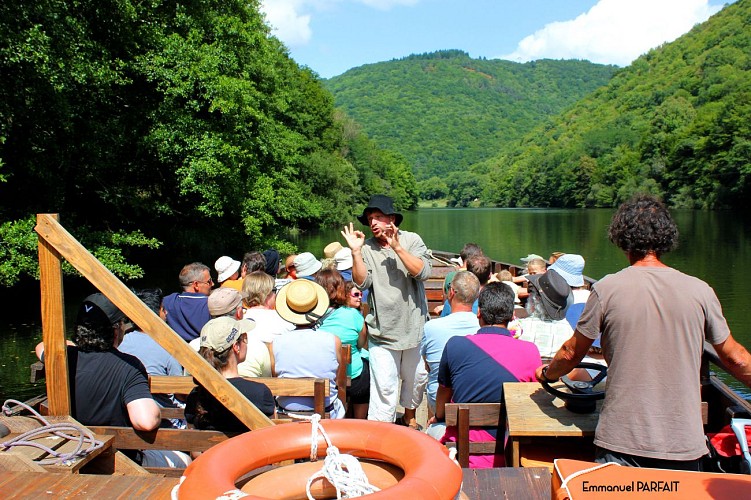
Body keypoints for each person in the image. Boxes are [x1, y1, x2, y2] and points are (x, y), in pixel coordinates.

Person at [537, 195, 751, 471]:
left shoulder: (606, 289)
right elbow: (736, 359)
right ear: (666, 237)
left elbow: (570, 353)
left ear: (621, 238)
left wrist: (547, 374)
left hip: (622, 443)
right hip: (685, 445)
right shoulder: (701, 291)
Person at [35, 293, 184, 467]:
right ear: (115, 330)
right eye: (122, 324)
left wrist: (75, 348)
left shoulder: (63, 359)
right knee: (184, 461)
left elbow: (42, 346)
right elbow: (146, 421)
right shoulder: (129, 366)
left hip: (71, 454)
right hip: (120, 459)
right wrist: (158, 412)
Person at [427, 282, 541, 468]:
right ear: (512, 315)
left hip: (461, 454)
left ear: (478, 313)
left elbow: (443, 394)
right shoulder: (530, 352)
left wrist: (439, 417)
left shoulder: (455, 345)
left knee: (432, 429)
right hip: (510, 455)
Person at [341, 194, 431, 426]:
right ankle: (383, 432)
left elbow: (422, 272)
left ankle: (410, 418)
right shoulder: (368, 248)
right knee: (385, 389)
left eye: (378, 217)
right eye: (370, 218)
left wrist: (397, 247)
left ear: (392, 219)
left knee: (416, 380)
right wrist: (355, 252)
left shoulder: (411, 240)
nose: (373, 223)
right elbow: (362, 283)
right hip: (381, 331)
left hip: (414, 327)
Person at [185, 317, 275, 431]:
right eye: (244, 338)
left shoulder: (196, 397)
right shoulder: (260, 393)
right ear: (236, 346)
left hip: (211, 449)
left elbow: (193, 444)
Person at [272, 279, 345, 418]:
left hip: (286, 412)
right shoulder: (333, 341)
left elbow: (275, 376)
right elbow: (337, 375)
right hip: (326, 411)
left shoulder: (276, 343)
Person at [118, 288, 185, 428]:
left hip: (129, 417)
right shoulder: (169, 346)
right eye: (162, 309)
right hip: (164, 420)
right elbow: (180, 392)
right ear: (154, 315)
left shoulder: (121, 342)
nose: (166, 313)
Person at [421, 271, 480, 412]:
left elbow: (426, 365)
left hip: (439, 402)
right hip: (472, 401)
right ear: (477, 296)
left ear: (451, 292)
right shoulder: (481, 327)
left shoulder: (430, 328)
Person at [315, 269, 370, 419]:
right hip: (352, 377)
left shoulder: (310, 317)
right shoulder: (352, 314)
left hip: (321, 379)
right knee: (365, 370)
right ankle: (360, 421)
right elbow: (361, 343)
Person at [200, 287, 272, 378]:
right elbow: (268, 378)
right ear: (239, 312)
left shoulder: (198, 347)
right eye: (242, 309)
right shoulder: (256, 346)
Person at [512, 269, 573, 360]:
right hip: (556, 373)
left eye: (531, 292)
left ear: (535, 299)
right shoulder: (570, 332)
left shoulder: (518, 328)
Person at [162, 262, 212, 341]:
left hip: (175, 349)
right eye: (209, 281)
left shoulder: (167, 302)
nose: (212, 284)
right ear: (196, 285)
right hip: (202, 351)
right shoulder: (211, 304)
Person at [242, 270, 295, 343]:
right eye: (274, 290)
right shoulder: (283, 320)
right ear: (266, 293)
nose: (275, 294)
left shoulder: (240, 320)